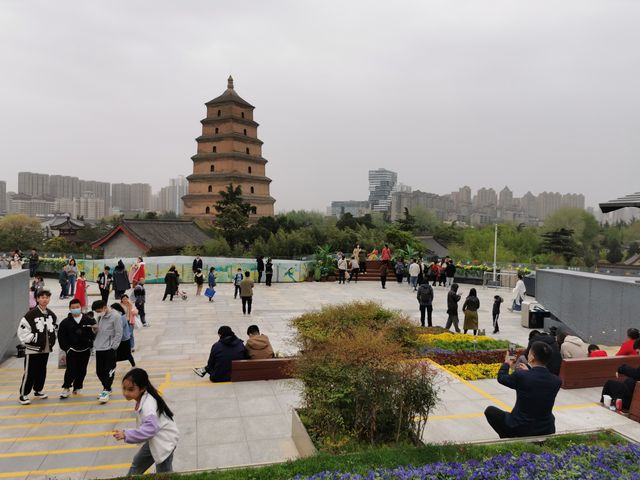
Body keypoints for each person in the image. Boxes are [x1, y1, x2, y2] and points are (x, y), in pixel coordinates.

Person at [484, 341, 562, 438]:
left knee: (490, 411)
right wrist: (529, 371)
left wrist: (507, 363)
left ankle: (509, 436)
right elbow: (538, 384)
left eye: (529, 353)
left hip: (520, 427)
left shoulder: (522, 376)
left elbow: (502, 378)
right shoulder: (556, 381)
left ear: (532, 357)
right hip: (545, 428)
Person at [113, 368, 179, 475]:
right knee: (137, 464)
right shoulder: (143, 398)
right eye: (124, 388)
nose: (126, 393)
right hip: (155, 439)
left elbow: (150, 429)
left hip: (164, 442)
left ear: (142, 388)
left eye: (130, 390)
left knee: (164, 473)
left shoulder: (148, 405)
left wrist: (126, 434)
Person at [17, 289, 58, 405]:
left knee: (41, 370)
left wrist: (52, 340)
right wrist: (34, 339)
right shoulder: (31, 314)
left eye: (47, 297)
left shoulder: (51, 314)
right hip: (33, 349)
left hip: (46, 348)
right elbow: (22, 331)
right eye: (42, 297)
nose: (45, 300)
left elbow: (55, 327)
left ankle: (38, 390)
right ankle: (23, 394)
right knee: (30, 372)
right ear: (37, 299)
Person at [58, 298, 96, 398]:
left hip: (85, 349)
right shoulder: (65, 322)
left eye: (77, 307)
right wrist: (67, 348)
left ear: (81, 307)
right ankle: (66, 388)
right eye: (73, 308)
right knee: (71, 369)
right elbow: (61, 337)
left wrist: (91, 340)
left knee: (82, 370)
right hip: (72, 350)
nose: (75, 309)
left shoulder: (88, 320)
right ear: (70, 309)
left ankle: (77, 387)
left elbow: (94, 334)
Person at [92, 299, 123, 404]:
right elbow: (99, 330)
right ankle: (107, 388)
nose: (98, 313)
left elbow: (119, 333)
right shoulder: (100, 316)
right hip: (99, 347)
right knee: (99, 371)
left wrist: (113, 347)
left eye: (99, 310)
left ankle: (106, 389)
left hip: (109, 348)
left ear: (105, 307)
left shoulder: (116, 316)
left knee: (109, 371)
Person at [600, 341, 640, 410]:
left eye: (638, 352)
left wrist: (622, 368)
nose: (638, 355)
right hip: (635, 395)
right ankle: (618, 401)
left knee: (609, 383)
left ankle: (606, 403)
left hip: (635, 400)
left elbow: (637, 374)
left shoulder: (626, 344)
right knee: (629, 381)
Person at [113, 303, 135, 367]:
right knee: (116, 355)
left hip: (124, 339)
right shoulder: (119, 316)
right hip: (119, 339)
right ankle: (112, 366)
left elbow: (119, 327)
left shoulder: (122, 317)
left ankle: (133, 364)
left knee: (127, 354)